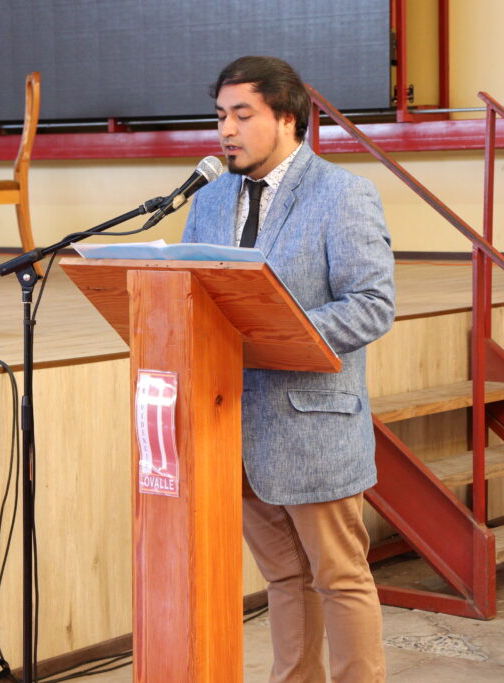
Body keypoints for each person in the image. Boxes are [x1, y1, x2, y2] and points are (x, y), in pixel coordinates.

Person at [182, 56, 396, 682]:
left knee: (339, 578)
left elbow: (372, 304)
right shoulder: (209, 198)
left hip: (313, 424)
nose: (227, 130)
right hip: (235, 424)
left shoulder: (342, 193)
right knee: (283, 577)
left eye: (242, 115)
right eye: (220, 116)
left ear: (287, 118)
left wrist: (277, 333)